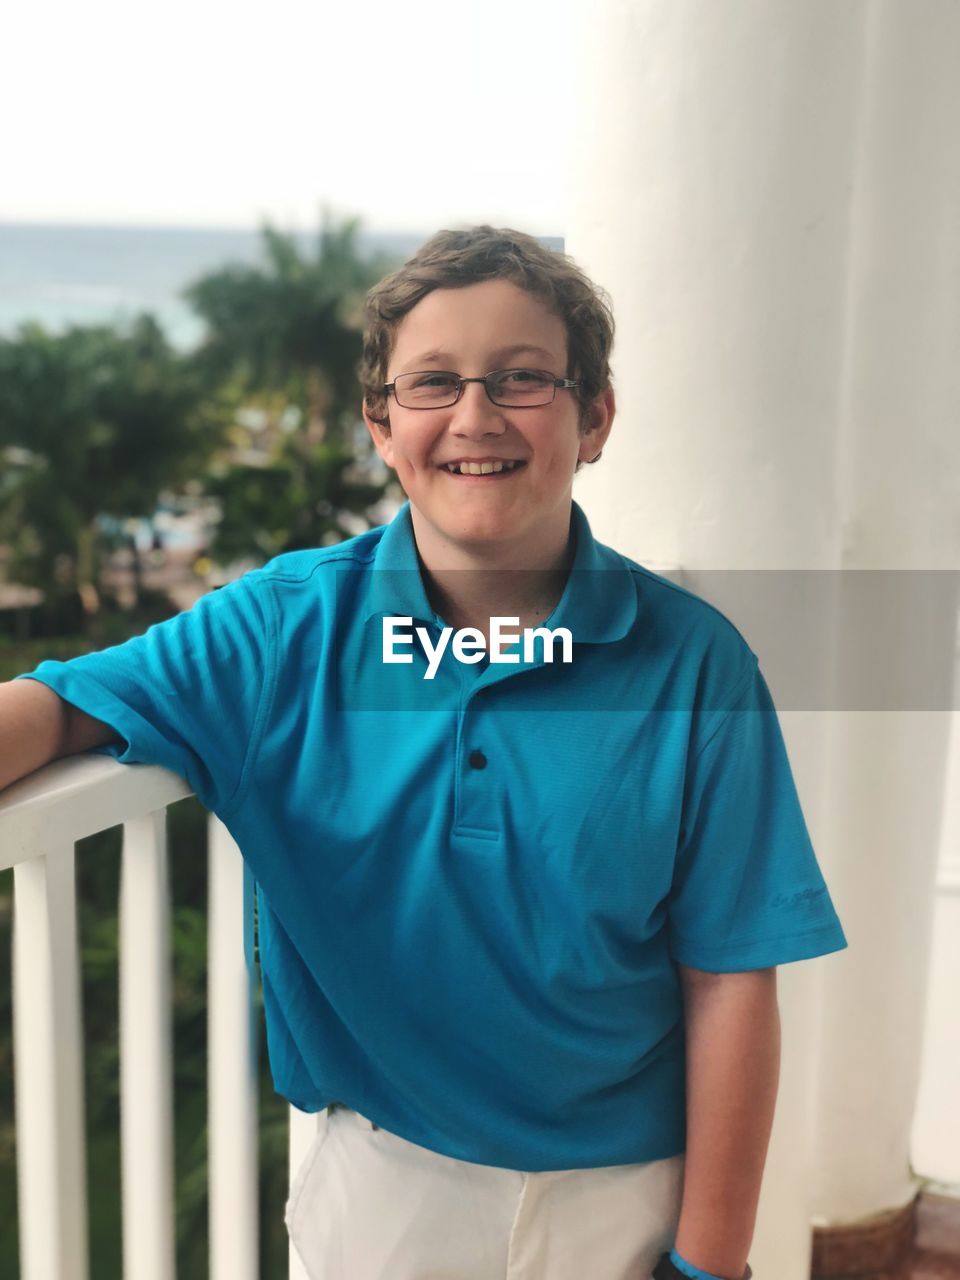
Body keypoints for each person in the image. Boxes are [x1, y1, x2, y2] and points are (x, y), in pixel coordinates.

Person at [1, 225, 847, 1280]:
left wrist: (709, 1264)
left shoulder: (696, 666)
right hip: (382, 1187)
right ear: (382, 424)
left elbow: (731, 980)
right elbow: (56, 706)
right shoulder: (283, 632)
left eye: (523, 378)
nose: (476, 416)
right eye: (433, 382)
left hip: (629, 1192)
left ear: (596, 418)